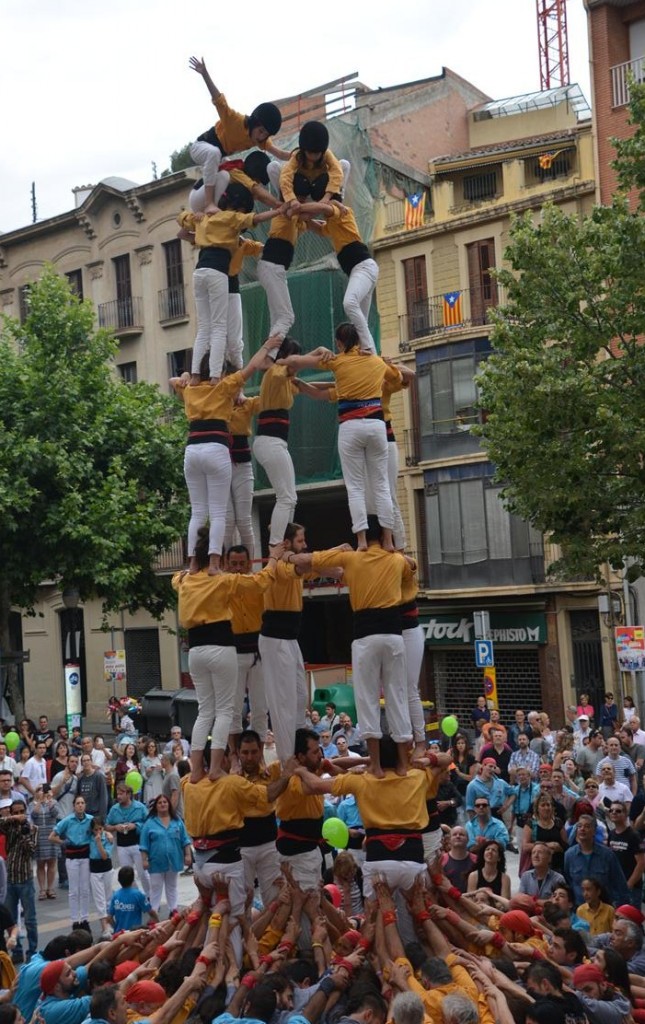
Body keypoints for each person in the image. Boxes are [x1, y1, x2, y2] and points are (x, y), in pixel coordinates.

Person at [288, 517, 415, 775]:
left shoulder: (352, 559)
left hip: (366, 636)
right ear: (384, 536)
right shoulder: (395, 560)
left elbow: (309, 561)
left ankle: (376, 766)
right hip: (393, 635)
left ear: (362, 535)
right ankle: (403, 764)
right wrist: (392, 547)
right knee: (398, 698)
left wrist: (289, 556)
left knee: (367, 699)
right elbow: (412, 565)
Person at [170, 322, 281, 575]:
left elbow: (173, 379)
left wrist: (187, 376)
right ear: (218, 370)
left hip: (192, 450)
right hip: (216, 448)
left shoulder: (190, 390)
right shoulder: (223, 387)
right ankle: (215, 564)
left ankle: (193, 563)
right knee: (219, 513)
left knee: (197, 511)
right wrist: (266, 346)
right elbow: (251, 367)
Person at [172, 529, 282, 781]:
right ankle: (214, 769)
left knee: (205, 711)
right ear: (218, 560)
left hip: (195, 650)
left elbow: (175, 579)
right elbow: (261, 582)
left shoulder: (185, 580)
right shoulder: (222, 580)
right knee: (224, 711)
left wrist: (190, 568)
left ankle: (196, 768)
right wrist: (273, 558)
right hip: (221, 647)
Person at [280, 324, 401, 550]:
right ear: (358, 340)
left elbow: (296, 362)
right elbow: (398, 378)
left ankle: (362, 540)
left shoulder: (337, 361)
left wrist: (285, 361)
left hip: (350, 425)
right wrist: (381, 361)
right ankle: (388, 539)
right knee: (381, 485)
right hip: (377, 425)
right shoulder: (375, 362)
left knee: (355, 487)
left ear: (339, 343)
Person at [295, 735, 430, 898]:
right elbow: (446, 759)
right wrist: (429, 758)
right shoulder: (417, 775)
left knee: (375, 918)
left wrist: (300, 770)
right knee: (415, 915)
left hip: (378, 859)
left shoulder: (361, 780)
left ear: (375, 755)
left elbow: (314, 786)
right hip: (413, 858)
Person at [188, 55, 287, 214]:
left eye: (265, 135)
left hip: (219, 158)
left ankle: (217, 207)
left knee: (224, 171)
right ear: (254, 123)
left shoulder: (259, 140)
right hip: (201, 147)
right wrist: (204, 74)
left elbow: (281, 154)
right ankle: (208, 204)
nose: (261, 137)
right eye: (260, 131)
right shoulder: (235, 121)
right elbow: (219, 100)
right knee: (215, 154)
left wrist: (302, 153)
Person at [226, 545, 269, 746]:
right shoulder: (222, 585)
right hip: (232, 652)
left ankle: (259, 753)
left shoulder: (258, 584)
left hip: (257, 652)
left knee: (260, 707)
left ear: (249, 564)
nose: (237, 568)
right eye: (233, 564)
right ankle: (234, 754)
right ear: (226, 564)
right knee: (233, 709)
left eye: (241, 564)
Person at [237, 729, 282, 906]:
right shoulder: (233, 778)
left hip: (269, 843)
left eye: (254, 752)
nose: (249, 757)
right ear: (238, 753)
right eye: (245, 752)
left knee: (275, 898)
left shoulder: (272, 773)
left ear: (260, 751)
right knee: (242, 900)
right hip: (242, 846)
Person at [138, 794, 192, 915]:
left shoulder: (177, 821)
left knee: (172, 887)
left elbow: (185, 840)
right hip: (156, 862)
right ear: (156, 806)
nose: (163, 804)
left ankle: (173, 912)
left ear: (169, 805)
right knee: (156, 887)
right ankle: (154, 912)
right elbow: (144, 844)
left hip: (174, 860)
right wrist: (144, 860)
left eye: (165, 802)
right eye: (160, 803)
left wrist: (188, 855)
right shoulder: (149, 823)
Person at [564, 813, 630, 907]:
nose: (582, 829)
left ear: (594, 831)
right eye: (579, 826)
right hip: (579, 910)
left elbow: (620, 884)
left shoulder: (607, 855)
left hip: (604, 909)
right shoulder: (569, 855)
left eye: (587, 826)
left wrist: (618, 908)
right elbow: (568, 883)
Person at [0, 801, 38, 962]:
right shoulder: (8, 827)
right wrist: (12, 819)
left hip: (25, 880)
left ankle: (32, 951)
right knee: (11, 919)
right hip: (10, 880)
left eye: (22, 811)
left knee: (30, 919)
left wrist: (24, 833)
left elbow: (31, 850)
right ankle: (16, 951)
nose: (20, 814)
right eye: (16, 812)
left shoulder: (32, 828)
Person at [224, 396, 260, 560]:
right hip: (221, 465)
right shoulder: (216, 401)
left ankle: (250, 565)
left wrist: (243, 398)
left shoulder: (247, 403)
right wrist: (188, 374)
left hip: (243, 465)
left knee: (244, 521)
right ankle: (223, 565)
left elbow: (269, 398)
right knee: (227, 521)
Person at [50, 795, 93, 931]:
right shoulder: (67, 820)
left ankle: (85, 919)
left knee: (85, 889)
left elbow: (101, 831)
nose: (80, 805)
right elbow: (52, 836)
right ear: (74, 806)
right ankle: (75, 920)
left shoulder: (90, 819)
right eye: (78, 803)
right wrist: (63, 843)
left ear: (85, 805)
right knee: (74, 890)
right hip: (72, 856)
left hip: (85, 856)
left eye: (82, 803)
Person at [105, 782, 150, 896]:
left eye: (121, 794)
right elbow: (106, 825)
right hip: (122, 845)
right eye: (117, 794)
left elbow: (149, 823)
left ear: (129, 794)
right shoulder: (114, 809)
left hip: (138, 844)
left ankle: (150, 896)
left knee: (143, 873)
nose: (118, 796)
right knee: (127, 874)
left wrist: (135, 825)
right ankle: (136, 895)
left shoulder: (140, 807)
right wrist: (115, 827)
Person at [522, 792, 568, 874]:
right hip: (536, 867)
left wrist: (559, 848)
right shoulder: (531, 824)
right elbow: (525, 846)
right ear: (537, 808)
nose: (546, 808)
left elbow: (565, 845)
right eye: (543, 805)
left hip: (557, 867)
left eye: (548, 805)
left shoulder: (558, 823)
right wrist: (546, 845)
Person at [30, 785, 60, 900]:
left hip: (51, 835)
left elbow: (55, 814)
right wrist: (39, 802)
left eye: (44, 790)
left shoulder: (53, 802)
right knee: (40, 864)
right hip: (39, 837)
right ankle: (42, 889)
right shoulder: (32, 804)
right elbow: (33, 816)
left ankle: (50, 888)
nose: (42, 792)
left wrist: (48, 801)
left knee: (52, 863)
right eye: (39, 790)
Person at [107, 865, 154, 931]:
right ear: (133, 880)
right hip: (135, 933)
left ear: (118, 880)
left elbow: (109, 918)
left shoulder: (115, 895)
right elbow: (151, 912)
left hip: (120, 934)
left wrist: (116, 928)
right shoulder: (138, 894)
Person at [88, 816, 113, 940]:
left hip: (107, 868)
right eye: (95, 829)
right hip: (95, 870)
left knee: (108, 897)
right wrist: (96, 841)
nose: (98, 832)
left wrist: (100, 842)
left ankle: (109, 922)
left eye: (100, 829)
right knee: (99, 899)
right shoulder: (89, 838)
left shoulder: (107, 839)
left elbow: (104, 856)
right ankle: (104, 926)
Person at [440, 825, 476, 893]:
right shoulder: (442, 860)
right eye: (454, 834)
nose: (458, 836)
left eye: (461, 834)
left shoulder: (476, 860)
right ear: (449, 840)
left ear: (468, 839)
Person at [140, 739, 164, 805]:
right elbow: (142, 776)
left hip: (159, 783)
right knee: (150, 803)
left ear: (155, 748)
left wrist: (162, 769)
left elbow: (166, 771)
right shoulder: (143, 760)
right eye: (149, 747)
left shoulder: (160, 757)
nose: (151, 748)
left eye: (152, 746)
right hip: (149, 784)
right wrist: (147, 772)